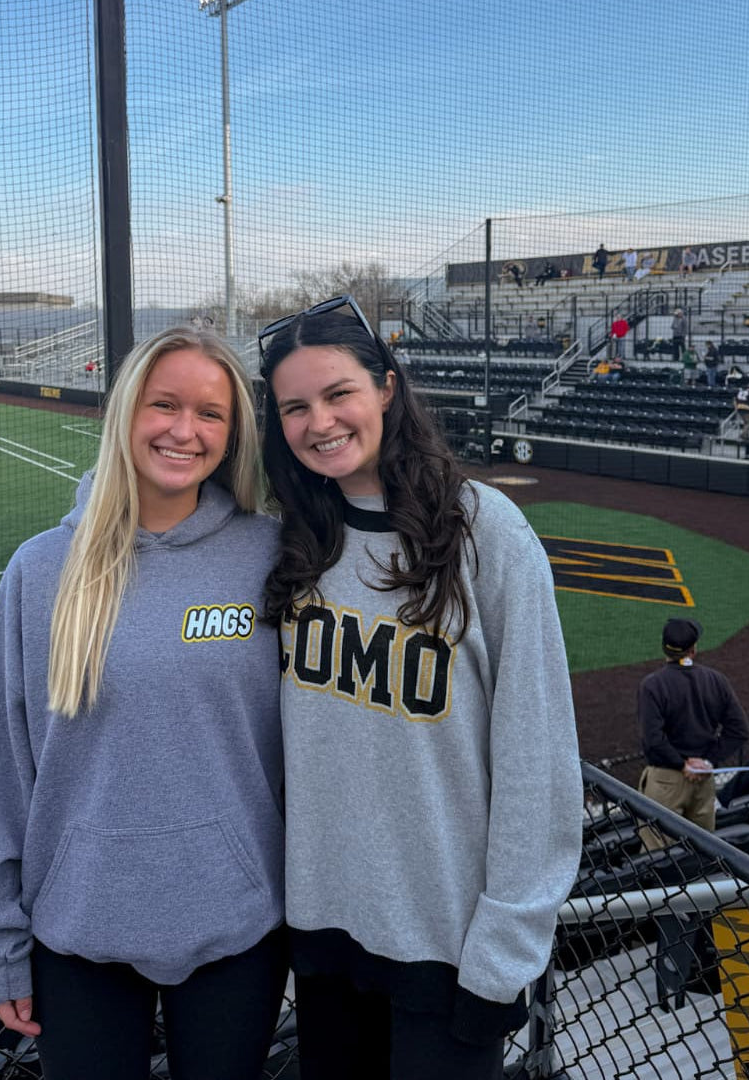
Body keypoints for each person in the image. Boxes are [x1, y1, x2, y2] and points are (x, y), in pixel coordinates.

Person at [0, 327, 289, 1080]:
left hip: (237, 931)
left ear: (233, 435)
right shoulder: (42, 570)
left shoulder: (275, 558)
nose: (183, 430)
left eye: (210, 413)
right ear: (126, 413)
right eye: (164, 404)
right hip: (78, 936)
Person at [256, 295, 583, 1080]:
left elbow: (537, 757)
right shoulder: (291, 535)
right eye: (295, 406)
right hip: (324, 933)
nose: (320, 422)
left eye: (338, 394)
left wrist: (505, 950)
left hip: (449, 947)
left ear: (388, 388)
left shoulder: (487, 531)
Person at [637, 618, 749, 850]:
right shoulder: (716, 680)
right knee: (702, 853)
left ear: (664, 647)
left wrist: (681, 765)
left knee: (657, 855)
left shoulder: (653, 685)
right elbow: (739, 730)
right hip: (703, 780)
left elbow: (653, 739)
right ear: (693, 649)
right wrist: (706, 762)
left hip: (665, 780)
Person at [735, 376, 749, 441]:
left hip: (739, 407)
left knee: (746, 422)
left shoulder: (741, 390)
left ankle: (746, 436)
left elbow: (735, 399)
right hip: (747, 408)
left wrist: (736, 408)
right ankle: (743, 434)